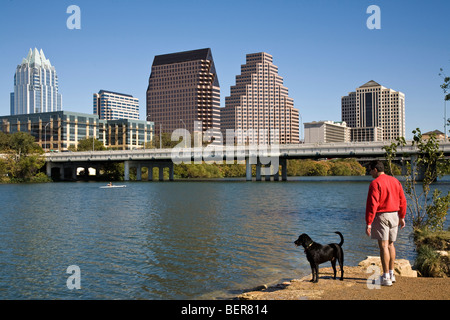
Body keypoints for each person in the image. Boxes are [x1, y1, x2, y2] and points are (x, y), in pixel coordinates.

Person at [365, 160, 406, 286]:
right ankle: (392, 274)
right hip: (394, 214)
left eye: (370, 170)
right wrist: (402, 216)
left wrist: (369, 222)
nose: (370, 173)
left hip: (382, 215)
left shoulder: (375, 183)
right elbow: (402, 200)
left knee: (383, 246)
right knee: (391, 245)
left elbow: (373, 204)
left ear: (375, 170)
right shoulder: (395, 181)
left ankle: (386, 277)